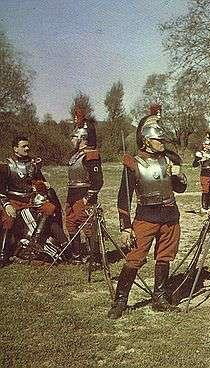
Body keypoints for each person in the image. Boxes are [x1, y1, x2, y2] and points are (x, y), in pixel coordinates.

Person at [108, 108, 187, 319]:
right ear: (146, 140)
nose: (162, 142)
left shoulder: (169, 160)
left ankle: (159, 297)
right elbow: (123, 198)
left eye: (162, 139)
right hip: (146, 217)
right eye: (158, 139)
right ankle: (120, 301)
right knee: (134, 258)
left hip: (170, 216)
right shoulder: (133, 163)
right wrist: (125, 226)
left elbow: (180, 189)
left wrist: (178, 176)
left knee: (164, 257)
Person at [0, 134, 66, 265]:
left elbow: (39, 182)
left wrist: (43, 186)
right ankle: (3, 255)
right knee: (9, 220)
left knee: (50, 208)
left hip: (31, 201)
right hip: (14, 201)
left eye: (27, 145)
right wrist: (6, 204)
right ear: (15, 148)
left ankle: (37, 243)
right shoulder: (6, 165)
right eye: (23, 146)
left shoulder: (33, 164)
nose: (27, 148)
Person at [65, 109, 103, 263]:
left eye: (74, 136)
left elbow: (98, 181)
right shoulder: (75, 155)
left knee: (88, 226)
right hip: (72, 196)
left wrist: (87, 199)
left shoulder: (91, 155)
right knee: (71, 223)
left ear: (82, 137)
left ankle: (94, 257)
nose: (71, 139)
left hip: (84, 196)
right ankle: (76, 255)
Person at [193, 135, 210, 212]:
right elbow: (194, 164)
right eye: (207, 144)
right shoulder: (200, 153)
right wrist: (199, 160)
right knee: (206, 189)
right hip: (205, 172)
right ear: (204, 145)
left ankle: (208, 205)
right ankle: (204, 207)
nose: (209, 146)